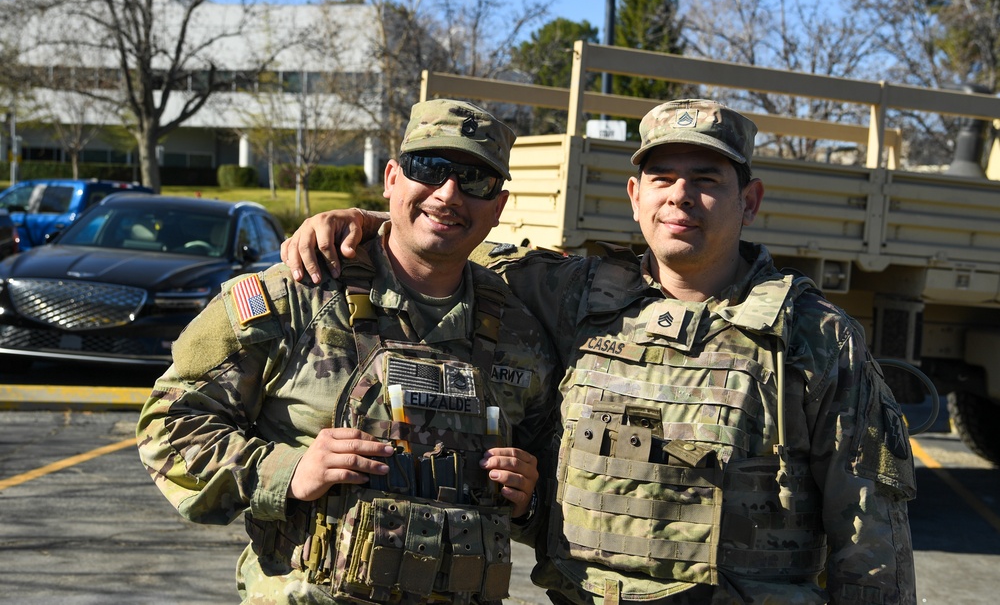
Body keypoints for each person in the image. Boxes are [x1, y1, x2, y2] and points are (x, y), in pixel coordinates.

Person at [281, 99, 917, 605]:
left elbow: (871, 528)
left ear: (748, 201)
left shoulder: (813, 335)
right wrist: (363, 222)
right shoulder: (568, 294)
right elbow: (441, 241)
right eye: (663, 178)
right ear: (635, 194)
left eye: (706, 180)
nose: (680, 197)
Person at [136, 98, 559, 605]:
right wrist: (287, 472)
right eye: (430, 168)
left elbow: (554, 478)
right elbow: (170, 421)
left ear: (499, 207)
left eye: (476, 180)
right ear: (392, 177)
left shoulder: (521, 334)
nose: (449, 194)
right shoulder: (297, 294)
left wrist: (529, 498)